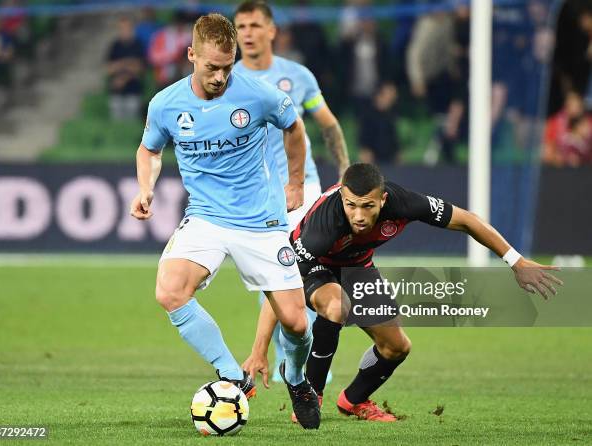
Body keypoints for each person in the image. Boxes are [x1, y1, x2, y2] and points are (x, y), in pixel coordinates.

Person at [243, 163, 563, 423]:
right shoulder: (322, 228)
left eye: (367, 206)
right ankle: (309, 396)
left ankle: (353, 400)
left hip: (358, 267)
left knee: (397, 347)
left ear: (382, 200)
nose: (357, 215)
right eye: (351, 205)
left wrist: (516, 261)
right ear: (342, 197)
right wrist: (259, 350)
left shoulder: (404, 202)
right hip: (317, 268)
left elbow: (466, 220)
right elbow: (279, 283)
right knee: (336, 307)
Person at [130, 13, 320, 429]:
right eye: (211, 67)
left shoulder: (257, 94)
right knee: (169, 291)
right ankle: (233, 374)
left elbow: (294, 127)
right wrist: (146, 187)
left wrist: (295, 184)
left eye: (227, 67)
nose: (219, 76)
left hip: (261, 222)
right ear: (191, 55)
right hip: (206, 218)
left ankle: (298, 378)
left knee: (296, 321)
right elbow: (149, 150)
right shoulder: (166, 103)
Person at [233, 0, 350, 383]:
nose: (247, 33)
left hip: (304, 189)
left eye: (254, 25)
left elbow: (328, 125)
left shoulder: (297, 76)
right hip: (254, 196)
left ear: (271, 31)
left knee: (297, 270)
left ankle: (298, 361)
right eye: (241, 27)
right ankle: (288, 358)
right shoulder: (227, 80)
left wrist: (346, 171)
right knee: (273, 278)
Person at [106, 17, 145, 121]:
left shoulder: (137, 45)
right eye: (122, 28)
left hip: (133, 90)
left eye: (127, 28)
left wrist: (123, 76)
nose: (124, 30)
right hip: (116, 91)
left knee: (132, 119)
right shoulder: (115, 46)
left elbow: (139, 68)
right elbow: (109, 68)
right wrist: (127, 63)